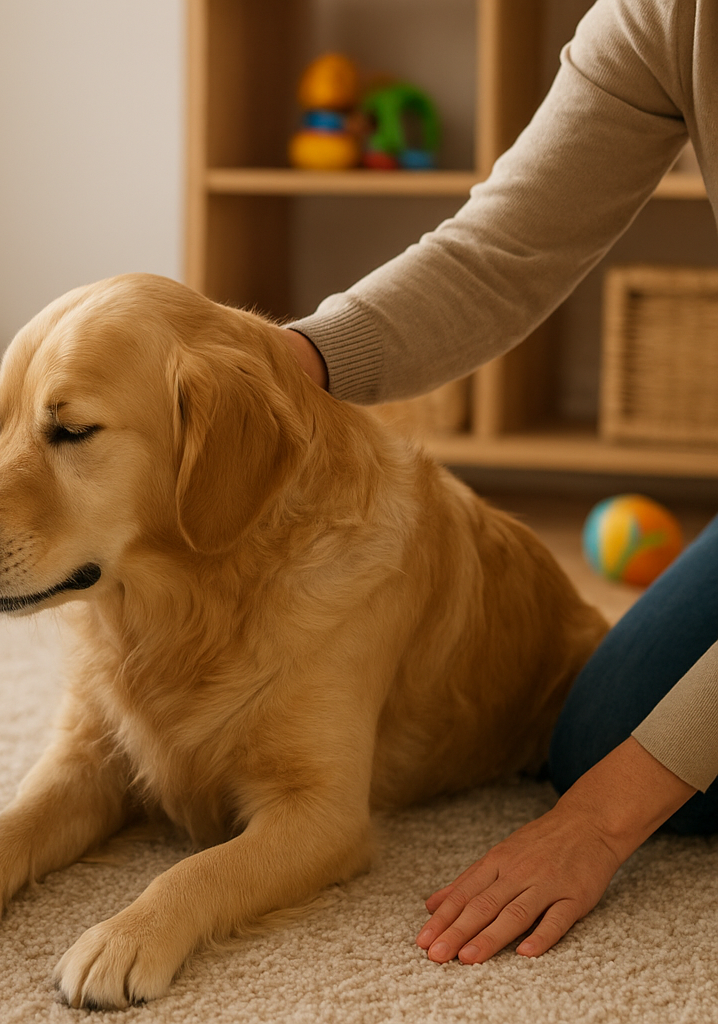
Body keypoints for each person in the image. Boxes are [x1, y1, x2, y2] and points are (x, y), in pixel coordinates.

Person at [277, 0, 718, 966]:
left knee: (633, 781)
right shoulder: (664, 17)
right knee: (601, 733)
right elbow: (498, 254)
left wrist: (603, 824)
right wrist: (283, 363)